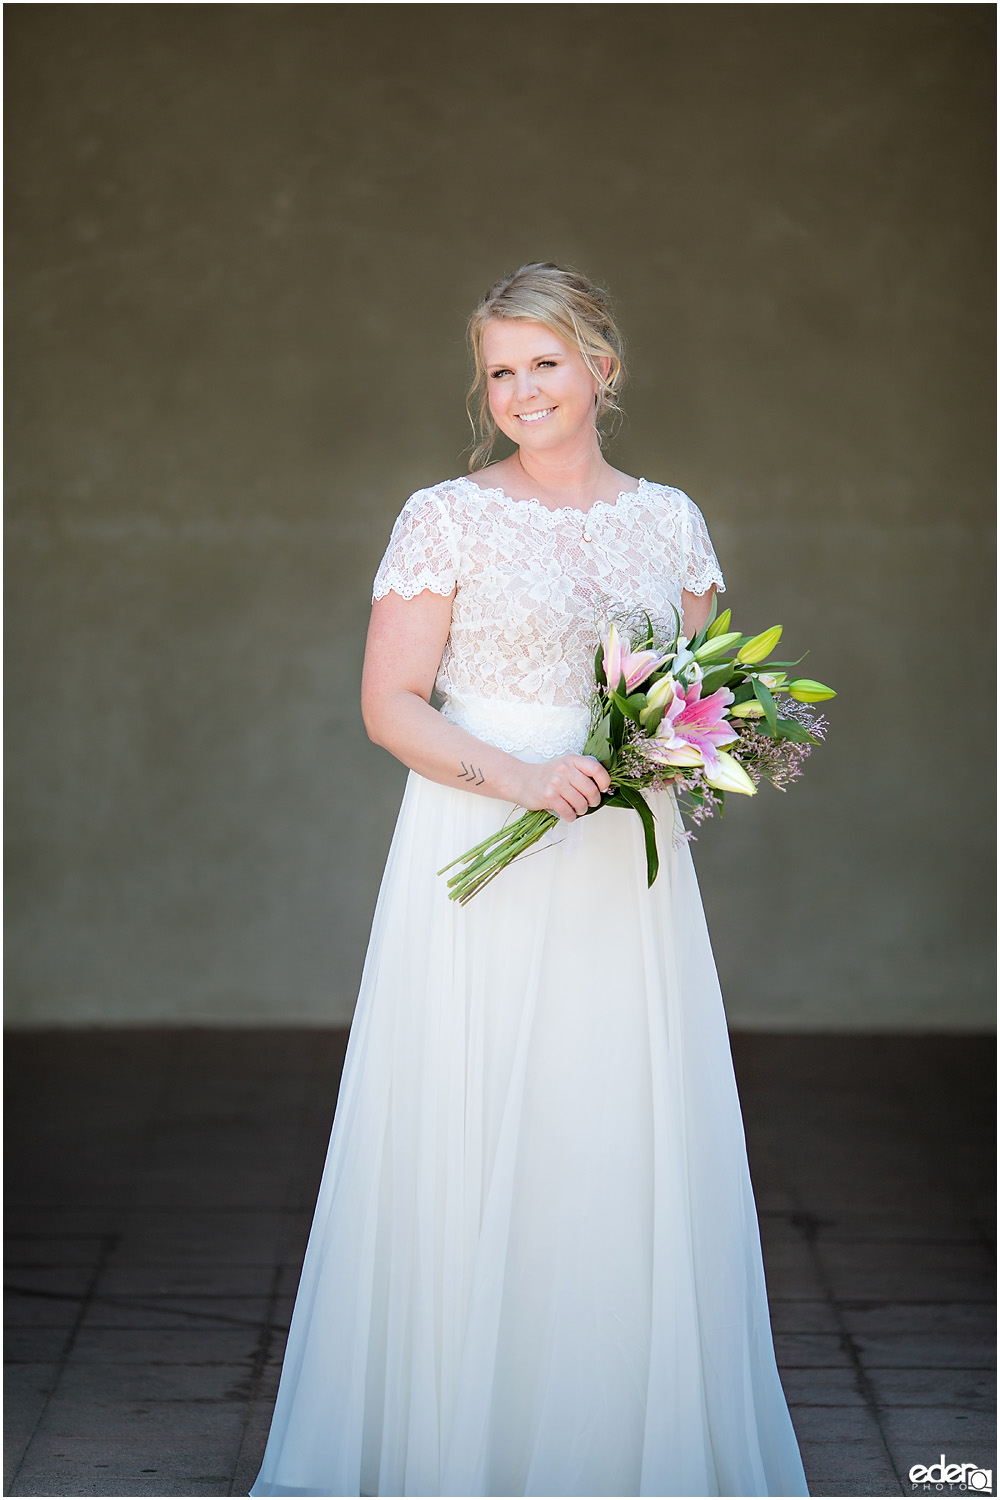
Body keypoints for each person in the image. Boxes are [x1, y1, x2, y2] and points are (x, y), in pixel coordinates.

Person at [249, 262, 810, 1498]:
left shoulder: (669, 519)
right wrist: (521, 779)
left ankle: (611, 1436)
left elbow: (700, 689)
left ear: (600, 368)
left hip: (622, 858)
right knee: (474, 1107)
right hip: (479, 848)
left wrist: (666, 754)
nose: (520, 390)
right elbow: (387, 704)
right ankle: (460, 1437)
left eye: (543, 363)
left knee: (609, 1117)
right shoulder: (445, 516)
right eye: (500, 371)